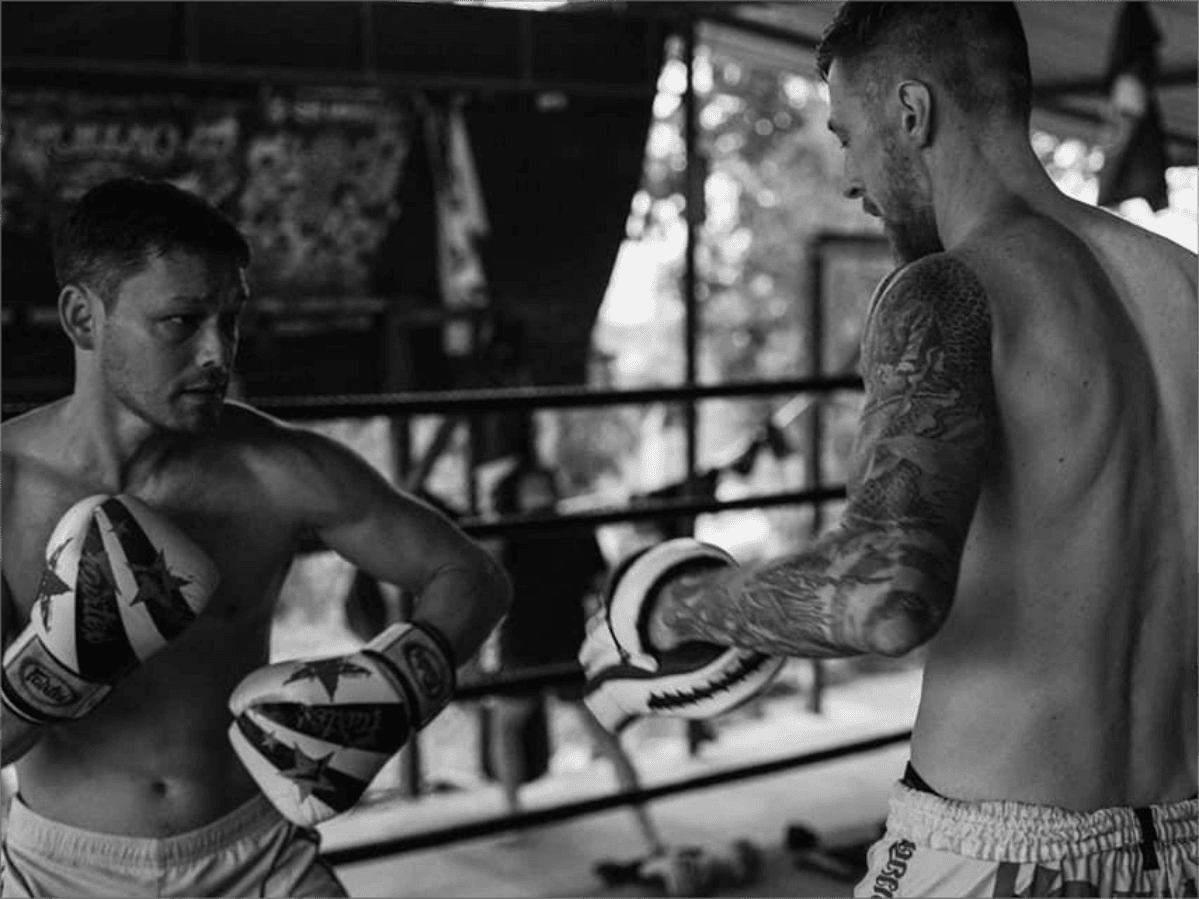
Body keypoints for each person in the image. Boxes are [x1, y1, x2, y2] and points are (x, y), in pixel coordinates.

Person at [581, 3, 1198, 897]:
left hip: (1001, 854)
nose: (847, 178)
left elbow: (884, 596)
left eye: (845, 136)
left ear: (911, 112)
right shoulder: (1183, 285)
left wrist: (677, 607)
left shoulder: (946, 290)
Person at [0, 177, 512, 898]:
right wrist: (59, 662)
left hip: (258, 859)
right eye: (181, 321)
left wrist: (399, 683)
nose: (218, 353)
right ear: (83, 317)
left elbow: (470, 576)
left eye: (230, 319)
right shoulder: (8, 490)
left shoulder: (278, 468)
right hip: (61, 872)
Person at [490, 459, 665, 856]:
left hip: (538, 646)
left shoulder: (513, 532)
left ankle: (514, 817)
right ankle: (648, 832)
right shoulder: (553, 529)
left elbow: (601, 587)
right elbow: (604, 588)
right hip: (551, 645)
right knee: (596, 736)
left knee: (521, 730)